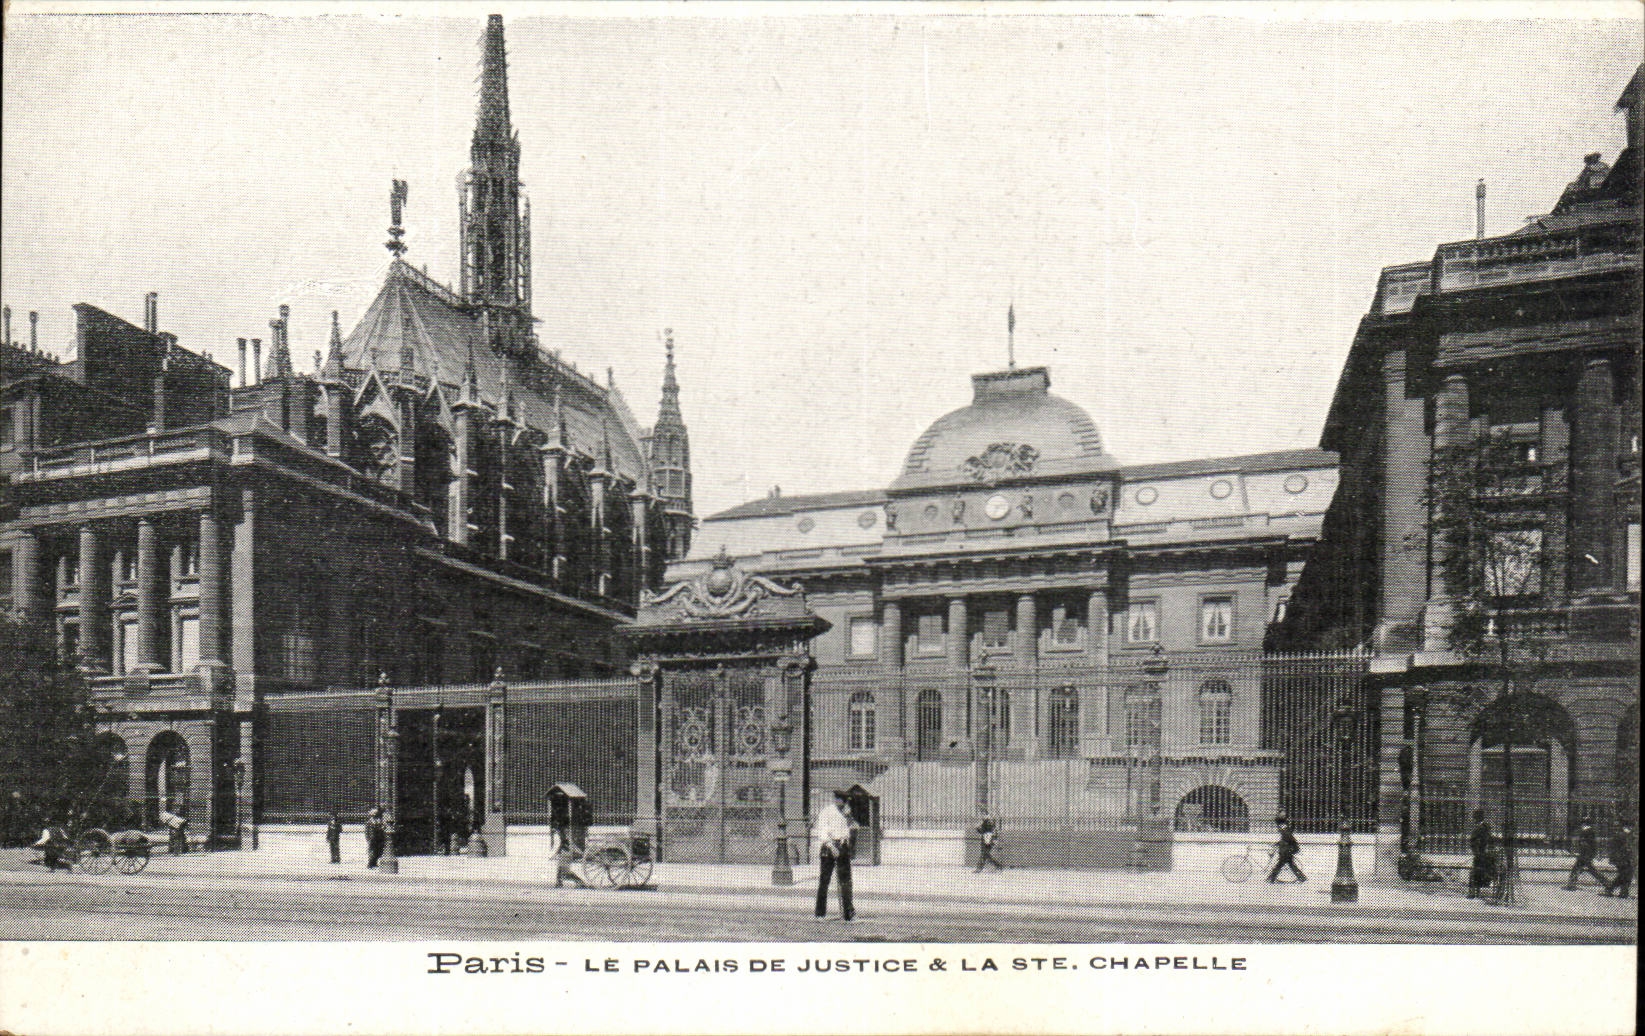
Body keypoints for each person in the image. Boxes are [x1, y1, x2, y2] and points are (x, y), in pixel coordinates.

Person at [813, 790, 856, 922]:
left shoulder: (846, 814)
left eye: (844, 801)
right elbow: (822, 831)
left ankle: (848, 913)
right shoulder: (827, 812)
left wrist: (849, 819)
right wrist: (831, 846)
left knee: (846, 881)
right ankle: (820, 913)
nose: (842, 803)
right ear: (836, 800)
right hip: (829, 847)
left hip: (842, 846)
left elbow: (852, 829)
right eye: (840, 800)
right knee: (825, 880)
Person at [1564, 816, 1607, 891]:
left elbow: (1587, 844)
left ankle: (1607, 883)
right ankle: (1571, 883)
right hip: (1586, 854)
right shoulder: (1590, 831)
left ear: (1584, 824)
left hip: (1585, 854)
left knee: (1585, 869)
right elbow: (1593, 844)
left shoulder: (1587, 831)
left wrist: (1583, 851)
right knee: (1581, 868)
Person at [1467, 809, 1498, 899]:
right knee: (1477, 873)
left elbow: (1474, 841)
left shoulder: (1481, 827)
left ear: (1477, 817)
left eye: (1474, 817)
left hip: (1481, 853)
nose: (1473, 819)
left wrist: (1476, 851)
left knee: (1475, 873)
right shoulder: (1485, 826)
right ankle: (1476, 891)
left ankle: (1473, 892)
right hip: (1483, 853)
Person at [1267, 814, 1305, 883]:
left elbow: (1288, 839)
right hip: (1287, 850)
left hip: (1286, 851)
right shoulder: (1284, 828)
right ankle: (1302, 878)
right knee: (1290, 865)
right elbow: (1285, 839)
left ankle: (1271, 878)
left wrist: (1282, 844)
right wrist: (1278, 843)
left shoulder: (1283, 828)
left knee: (1279, 865)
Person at [1602, 820, 1634, 899]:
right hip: (1620, 859)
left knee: (1625, 875)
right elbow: (1615, 849)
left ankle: (1619, 891)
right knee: (1626, 875)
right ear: (1625, 827)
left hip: (1624, 859)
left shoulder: (1626, 835)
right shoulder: (1621, 835)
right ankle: (1618, 890)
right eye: (1629, 827)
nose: (1630, 829)